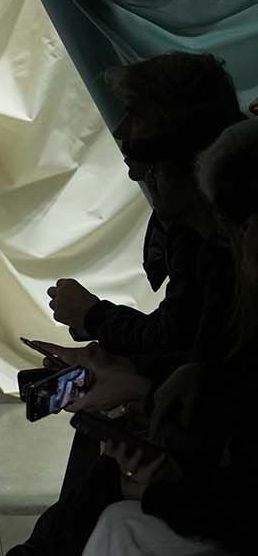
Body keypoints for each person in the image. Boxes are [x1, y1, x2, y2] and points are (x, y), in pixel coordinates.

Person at [13, 54, 245, 556]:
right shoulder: (201, 240)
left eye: (136, 118)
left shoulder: (217, 244)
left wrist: (104, 331)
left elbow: (194, 354)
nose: (123, 135)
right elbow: (194, 348)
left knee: (112, 498)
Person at [67, 118, 258, 555]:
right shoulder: (209, 255)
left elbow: (244, 502)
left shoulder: (217, 261)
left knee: (119, 523)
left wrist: (158, 492)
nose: (137, 172)